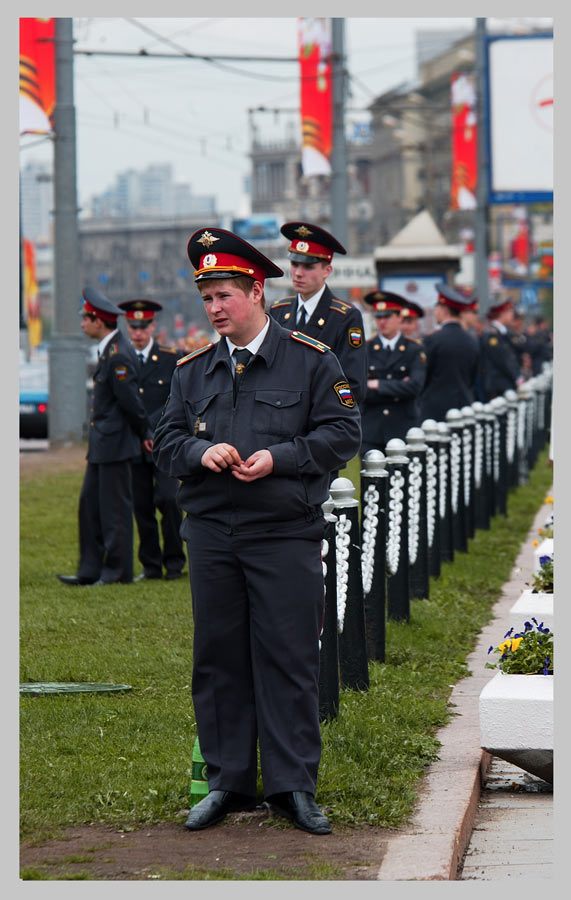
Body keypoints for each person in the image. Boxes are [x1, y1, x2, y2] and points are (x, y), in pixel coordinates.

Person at [153, 228, 361, 835]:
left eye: (225, 295)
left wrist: (282, 458)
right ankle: (228, 783)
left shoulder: (312, 359)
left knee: (289, 658)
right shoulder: (192, 370)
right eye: (207, 298)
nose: (215, 308)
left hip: (284, 533)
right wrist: (200, 452)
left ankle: (293, 785)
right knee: (217, 660)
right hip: (214, 535)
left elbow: (343, 434)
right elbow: (166, 439)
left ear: (257, 291)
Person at [57, 288, 151, 586]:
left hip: (116, 444)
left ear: (99, 321)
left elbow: (131, 403)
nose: (82, 323)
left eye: (86, 318)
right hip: (103, 444)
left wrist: (145, 433)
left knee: (115, 512)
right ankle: (90, 569)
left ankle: (118, 571)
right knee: (90, 507)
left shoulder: (118, 355)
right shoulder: (110, 350)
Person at [118, 299, 187, 581]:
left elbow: (176, 399)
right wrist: (142, 432)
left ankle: (174, 561)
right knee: (142, 504)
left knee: (169, 499)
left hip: (164, 440)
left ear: (152, 326)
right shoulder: (120, 358)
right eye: (133, 327)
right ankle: (150, 564)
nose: (138, 332)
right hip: (134, 440)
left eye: (143, 326)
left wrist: (155, 431)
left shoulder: (171, 357)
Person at [268, 221, 367, 408]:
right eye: (295, 264)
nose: (298, 273)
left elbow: (353, 385)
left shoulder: (345, 317)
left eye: (308, 267)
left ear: (327, 271)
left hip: (322, 419)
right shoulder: (279, 311)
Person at [360, 289, 426, 456]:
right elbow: (360, 389)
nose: (382, 322)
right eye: (378, 317)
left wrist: (378, 384)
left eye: (387, 316)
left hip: (402, 427)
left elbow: (415, 387)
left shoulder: (414, 349)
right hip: (372, 429)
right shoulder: (365, 349)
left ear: (399, 318)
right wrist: (398, 387)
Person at [419, 283, 481, 423]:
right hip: (463, 406)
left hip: (434, 411)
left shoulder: (432, 340)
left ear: (444, 310)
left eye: (437, 307)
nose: (435, 312)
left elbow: (424, 375)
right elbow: (473, 376)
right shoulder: (472, 341)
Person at [479, 298, 522, 400]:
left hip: (504, 384)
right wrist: (517, 377)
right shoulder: (492, 335)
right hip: (497, 386)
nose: (512, 315)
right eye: (510, 311)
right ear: (502, 313)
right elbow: (502, 360)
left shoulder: (502, 332)